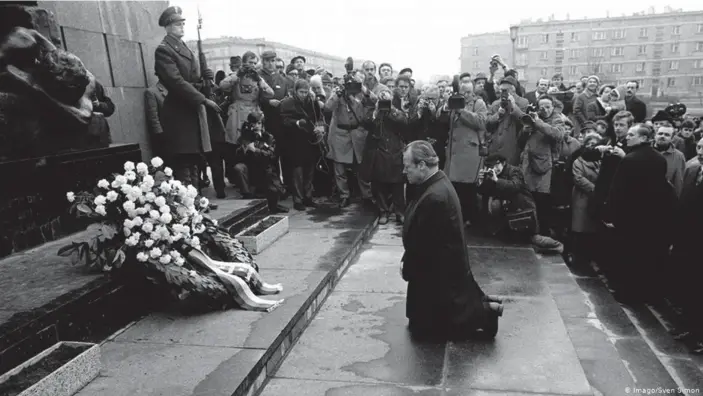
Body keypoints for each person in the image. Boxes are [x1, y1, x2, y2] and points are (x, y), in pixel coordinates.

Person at [401, 140, 503, 341]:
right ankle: (484, 305)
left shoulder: (435, 196)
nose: (405, 171)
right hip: (438, 269)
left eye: (407, 166)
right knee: (419, 324)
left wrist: (408, 266)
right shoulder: (436, 183)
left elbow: (426, 247)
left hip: (438, 275)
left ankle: (486, 313)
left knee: (430, 328)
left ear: (422, 165)